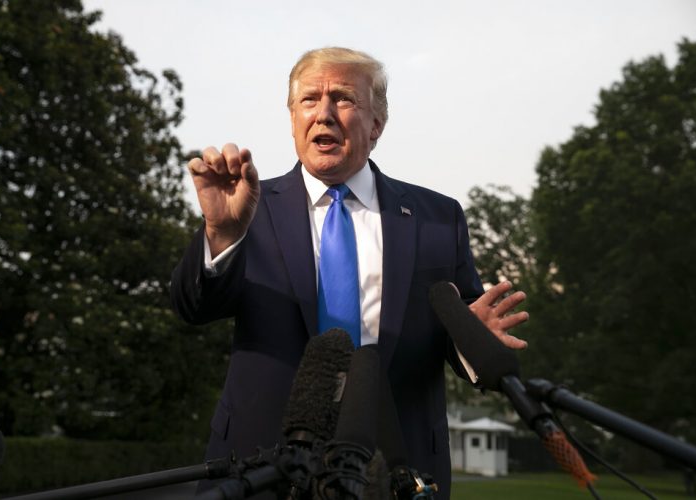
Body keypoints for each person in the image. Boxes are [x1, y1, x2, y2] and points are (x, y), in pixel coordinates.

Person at [171, 47, 528, 499]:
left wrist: (473, 342)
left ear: (376, 123)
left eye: (342, 98)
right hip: (262, 461)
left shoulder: (438, 217)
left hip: (396, 465)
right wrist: (220, 233)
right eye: (308, 100)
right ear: (292, 119)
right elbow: (193, 308)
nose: (323, 113)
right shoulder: (247, 208)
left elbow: (458, 336)